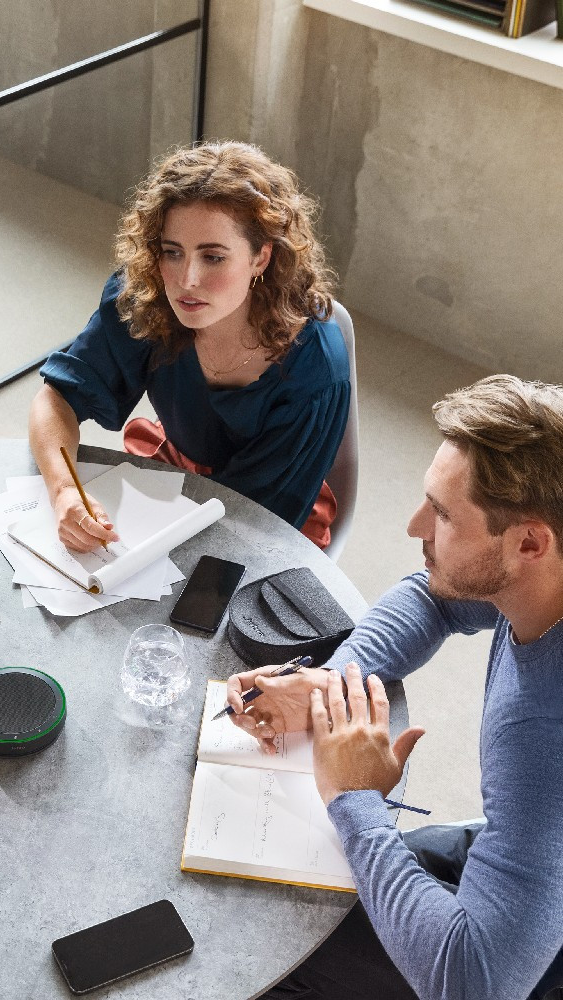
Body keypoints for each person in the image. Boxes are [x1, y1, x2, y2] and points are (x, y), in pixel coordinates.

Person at [225, 375, 563, 1000]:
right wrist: (330, 688)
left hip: (523, 964)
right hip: (521, 854)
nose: (413, 528)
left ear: (528, 542)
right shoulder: (544, 571)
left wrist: (354, 796)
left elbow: (472, 982)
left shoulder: (542, 740)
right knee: (325, 882)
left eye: (441, 514)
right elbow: (430, 597)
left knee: (283, 951)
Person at [29, 141, 350, 553]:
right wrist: (63, 493)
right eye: (172, 252)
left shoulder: (315, 369)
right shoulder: (146, 300)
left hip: (264, 512)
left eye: (213, 257)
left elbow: (252, 525)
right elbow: (55, 400)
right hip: (178, 479)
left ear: (261, 258)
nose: (187, 280)